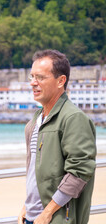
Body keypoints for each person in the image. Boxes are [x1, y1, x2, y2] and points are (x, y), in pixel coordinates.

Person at [18, 50, 97, 224]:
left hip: (57, 218)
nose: (33, 83)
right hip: (32, 217)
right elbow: (35, 171)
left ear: (61, 81)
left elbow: (80, 172)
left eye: (40, 77)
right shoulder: (35, 120)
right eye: (31, 77)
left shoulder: (73, 118)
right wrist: (27, 205)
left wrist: (48, 212)